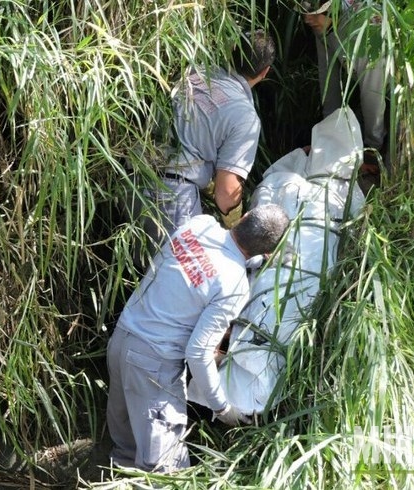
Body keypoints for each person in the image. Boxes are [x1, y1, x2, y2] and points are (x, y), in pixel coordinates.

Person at [106, 204, 290, 473]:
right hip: (153, 368)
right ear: (268, 251)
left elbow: (216, 258)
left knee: (126, 452)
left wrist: (254, 261)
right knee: (166, 471)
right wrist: (222, 407)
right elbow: (198, 353)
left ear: (246, 216)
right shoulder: (234, 286)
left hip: (122, 340)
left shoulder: (199, 225)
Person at [135, 30, 277, 266]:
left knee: (143, 267)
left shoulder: (195, 71)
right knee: (182, 274)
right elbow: (227, 190)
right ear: (265, 72)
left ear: (231, 52)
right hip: (171, 194)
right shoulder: (245, 116)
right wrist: (238, 232)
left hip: (133, 172)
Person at [303, 0, 388, 174]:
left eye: (313, 13)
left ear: (331, 10)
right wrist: (328, 136)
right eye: (304, 12)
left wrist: (371, 148)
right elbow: (328, 77)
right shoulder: (321, 25)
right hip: (372, 84)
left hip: (406, 95)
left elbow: (373, 95)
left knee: (393, 163)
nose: (307, 19)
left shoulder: (365, 32)